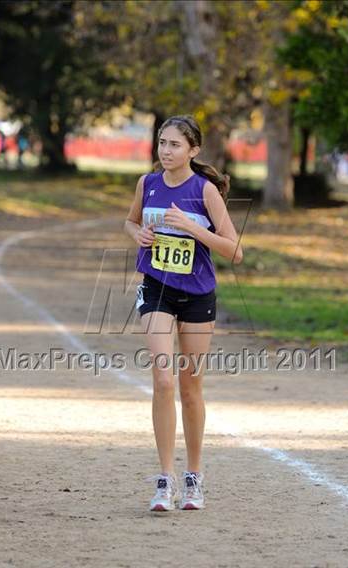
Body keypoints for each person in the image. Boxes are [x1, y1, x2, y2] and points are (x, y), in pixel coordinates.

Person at [124, 115, 243, 512]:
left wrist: (193, 229)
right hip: (157, 288)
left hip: (197, 294)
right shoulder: (148, 183)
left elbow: (234, 250)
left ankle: (193, 477)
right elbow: (130, 220)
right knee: (163, 379)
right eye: (162, 142)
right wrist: (137, 234)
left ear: (193, 150)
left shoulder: (205, 191)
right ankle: (164, 479)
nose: (165, 150)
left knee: (190, 386)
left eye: (174, 144)